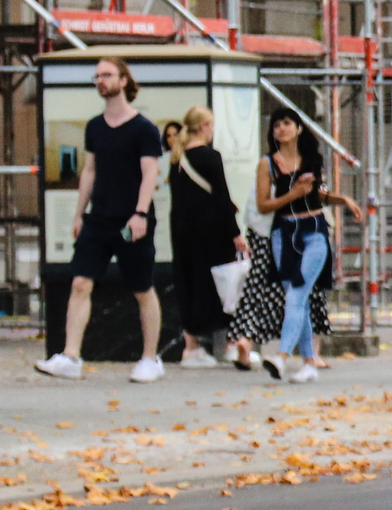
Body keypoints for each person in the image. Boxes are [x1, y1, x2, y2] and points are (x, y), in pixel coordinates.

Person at [37, 57, 165, 382]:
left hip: (131, 220)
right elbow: (89, 171)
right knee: (80, 282)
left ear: (123, 80)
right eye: (96, 76)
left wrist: (140, 213)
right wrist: (79, 214)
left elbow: (150, 171)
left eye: (106, 75)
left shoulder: (144, 129)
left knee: (142, 288)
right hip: (98, 219)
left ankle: (150, 359)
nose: (100, 80)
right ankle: (70, 356)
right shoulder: (94, 126)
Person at [254, 107, 356, 383]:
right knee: (298, 302)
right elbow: (263, 204)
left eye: (287, 123)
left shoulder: (312, 159)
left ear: (298, 128)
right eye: (276, 125)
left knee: (296, 296)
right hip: (283, 233)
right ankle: (310, 363)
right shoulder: (268, 164)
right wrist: (292, 194)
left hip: (314, 231)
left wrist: (342, 200)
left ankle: (282, 355)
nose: (281, 129)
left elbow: (316, 194)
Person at [167, 104, 248, 369]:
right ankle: (231, 345)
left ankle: (191, 347)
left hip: (182, 232)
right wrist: (235, 233)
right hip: (212, 232)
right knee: (225, 285)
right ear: (204, 127)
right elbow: (221, 197)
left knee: (189, 284)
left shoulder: (177, 159)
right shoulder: (211, 157)